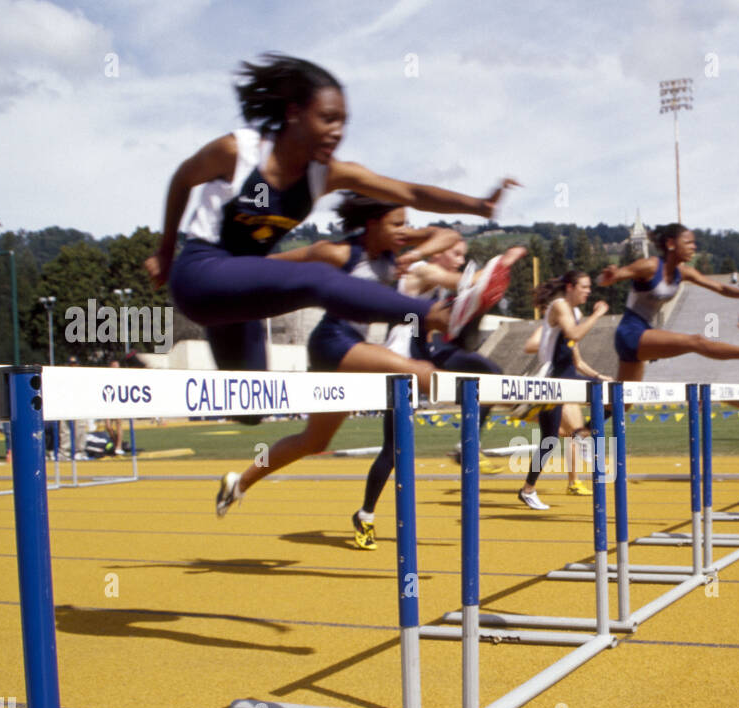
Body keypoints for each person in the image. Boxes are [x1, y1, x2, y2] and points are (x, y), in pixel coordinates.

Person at [143, 52, 518, 390]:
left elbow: (410, 192)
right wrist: (165, 251)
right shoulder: (238, 152)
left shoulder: (327, 174)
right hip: (199, 275)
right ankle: (440, 315)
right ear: (294, 113)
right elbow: (181, 179)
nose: (338, 131)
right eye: (327, 118)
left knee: (253, 403)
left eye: (343, 122)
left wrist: (479, 205)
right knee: (319, 278)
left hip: (242, 292)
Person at [214, 194, 499, 517]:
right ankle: (503, 399)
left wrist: (415, 251)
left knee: (313, 441)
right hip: (332, 342)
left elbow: (448, 236)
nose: (402, 231)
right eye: (396, 224)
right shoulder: (338, 253)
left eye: (405, 224)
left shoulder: (395, 247)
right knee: (415, 371)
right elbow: (278, 263)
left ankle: (238, 483)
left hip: (350, 347)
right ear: (372, 223)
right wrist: (228, 272)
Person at [350, 238, 523, 549]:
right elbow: (473, 282)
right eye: (455, 254)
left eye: (463, 257)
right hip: (399, 365)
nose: (459, 261)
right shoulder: (421, 271)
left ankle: (467, 444)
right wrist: (503, 263)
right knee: (393, 452)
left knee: (490, 374)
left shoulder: (438, 286)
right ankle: (365, 514)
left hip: (427, 357)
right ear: (439, 251)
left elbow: (463, 307)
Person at [597, 224, 739, 383]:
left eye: (694, 243)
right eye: (688, 242)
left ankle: (588, 424)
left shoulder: (684, 273)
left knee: (621, 404)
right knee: (696, 341)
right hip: (630, 332)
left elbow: (720, 288)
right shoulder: (650, 266)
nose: (694, 247)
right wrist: (607, 277)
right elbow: (609, 279)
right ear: (671, 244)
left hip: (645, 333)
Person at [516, 270, 612, 510]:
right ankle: (528, 490)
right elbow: (574, 334)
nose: (589, 291)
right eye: (584, 287)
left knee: (615, 398)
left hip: (570, 378)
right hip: (553, 381)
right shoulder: (559, 306)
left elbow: (576, 360)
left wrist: (598, 376)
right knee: (549, 440)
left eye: (590, 287)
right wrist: (598, 314)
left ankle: (581, 435)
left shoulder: (576, 313)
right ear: (570, 287)